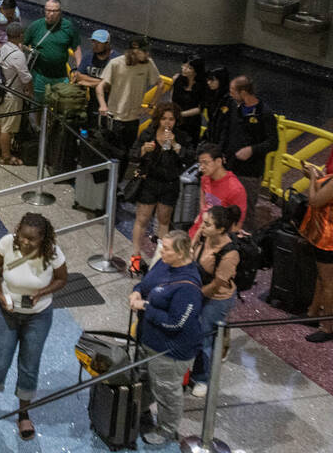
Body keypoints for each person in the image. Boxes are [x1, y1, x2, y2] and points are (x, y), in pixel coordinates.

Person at [0, 213, 67, 440]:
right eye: (22, 236)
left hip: (38, 316)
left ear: (42, 238)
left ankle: (23, 413)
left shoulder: (52, 253)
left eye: (31, 239)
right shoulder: (7, 243)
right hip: (8, 313)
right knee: (0, 361)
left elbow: (62, 278)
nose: (25, 242)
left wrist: (42, 292)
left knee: (29, 364)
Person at [129, 230, 203, 446]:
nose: (161, 251)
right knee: (145, 381)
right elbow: (147, 283)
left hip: (169, 351)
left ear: (181, 252)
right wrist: (137, 291)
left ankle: (166, 430)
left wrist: (145, 306)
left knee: (166, 391)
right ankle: (139, 411)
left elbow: (177, 322)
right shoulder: (165, 263)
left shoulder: (188, 286)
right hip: (148, 339)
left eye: (167, 248)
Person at [129, 102, 193, 274]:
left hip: (170, 184)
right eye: (164, 118)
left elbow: (189, 158)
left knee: (164, 221)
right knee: (142, 219)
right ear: (158, 119)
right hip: (149, 182)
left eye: (171, 119)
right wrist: (143, 150)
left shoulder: (181, 136)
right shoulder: (148, 133)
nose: (167, 123)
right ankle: (135, 257)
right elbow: (132, 154)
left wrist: (176, 146)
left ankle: (161, 260)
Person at [189, 205, 242, 396]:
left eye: (208, 224)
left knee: (205, 337)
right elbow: (191, 252)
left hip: (216, 298)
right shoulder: (204, 236)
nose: (202, 227)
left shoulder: (230, 253)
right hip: (198, 290)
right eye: (204, 222)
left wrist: (197, 294)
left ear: (220, 229)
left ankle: (202, 379)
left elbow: (218, 283)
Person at [212, 75, 277, 230]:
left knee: (244, 211)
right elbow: (225, 131)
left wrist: (252, 150)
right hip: (229, 166)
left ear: (244, 92)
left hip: (249, 173)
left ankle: (243, 244)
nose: (230, 94)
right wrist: (220, 152)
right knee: (222, 206)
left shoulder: (265, 113)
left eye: (233, 91)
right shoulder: (233, 106)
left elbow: (273, 143)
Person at [97, 36, 162, 175]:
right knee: (110, 152)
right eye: (144, 51)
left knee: (125, 153)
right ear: (134, 51)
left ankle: (116, 184)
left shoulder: (148, 64)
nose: (147, 54)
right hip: (114, 117)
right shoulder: (116, 63)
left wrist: (151, 105)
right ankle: (105, 182)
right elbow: (100, 86)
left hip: (132, 119)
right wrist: (103, 105)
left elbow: (160, 84)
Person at [22, 0, 81, 105]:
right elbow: (21, 44)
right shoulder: (36, 26)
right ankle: (38, 122)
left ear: (60, 12)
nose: (51, 14)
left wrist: (79, 68)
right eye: (48, 10)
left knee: (61, 105)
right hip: (39, 76)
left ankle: (51, 122)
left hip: (60, 76)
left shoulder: (68, 27)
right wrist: (29, 51)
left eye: (54, 11)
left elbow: (76, 48)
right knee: (38, 104)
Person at [299, 164, 333, 343]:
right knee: (322, 279)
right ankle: (312, 313)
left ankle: (327, 327)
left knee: (328, 284)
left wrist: (312, 177)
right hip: (325, 235)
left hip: (328, 239)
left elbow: (315, 201)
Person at [0, 22, 32, 166]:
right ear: (21, 35)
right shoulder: (18, 55)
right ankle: (6, 156)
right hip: (13, 95)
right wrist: (30, 92)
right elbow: (26, 77)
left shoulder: (4, 48)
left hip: (1, 91)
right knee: (7, 128)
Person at [189, 144, 247, 239]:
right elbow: (203, 200)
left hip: (217, 237)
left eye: (205, 163)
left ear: (219, 161)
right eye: (200, 163)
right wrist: (201, 216)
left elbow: (237, 224)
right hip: (199, 230)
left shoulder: (236, 189)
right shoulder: (205, 178)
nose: (202, 167)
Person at [74, 29, 113, 127]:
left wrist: (89, 83)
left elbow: (113, 85)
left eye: (99, 43)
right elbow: (79, 76)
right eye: (93, 42)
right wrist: (102, 83)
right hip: (92, 103)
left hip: (111, 105)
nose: (95, 45)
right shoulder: (88, 56)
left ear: (107, 44)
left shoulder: (115, 60)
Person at [172, 56, 207, 141]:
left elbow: (200, 108)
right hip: (175, 118)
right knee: (169, 144)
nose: (184, 69)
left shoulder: (203, 85)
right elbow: (172, 97)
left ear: (196, 71)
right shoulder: (177, 79)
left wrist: (181, 114)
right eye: (184, 66)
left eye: (189, 68)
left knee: (188, 146)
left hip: (192, 122)